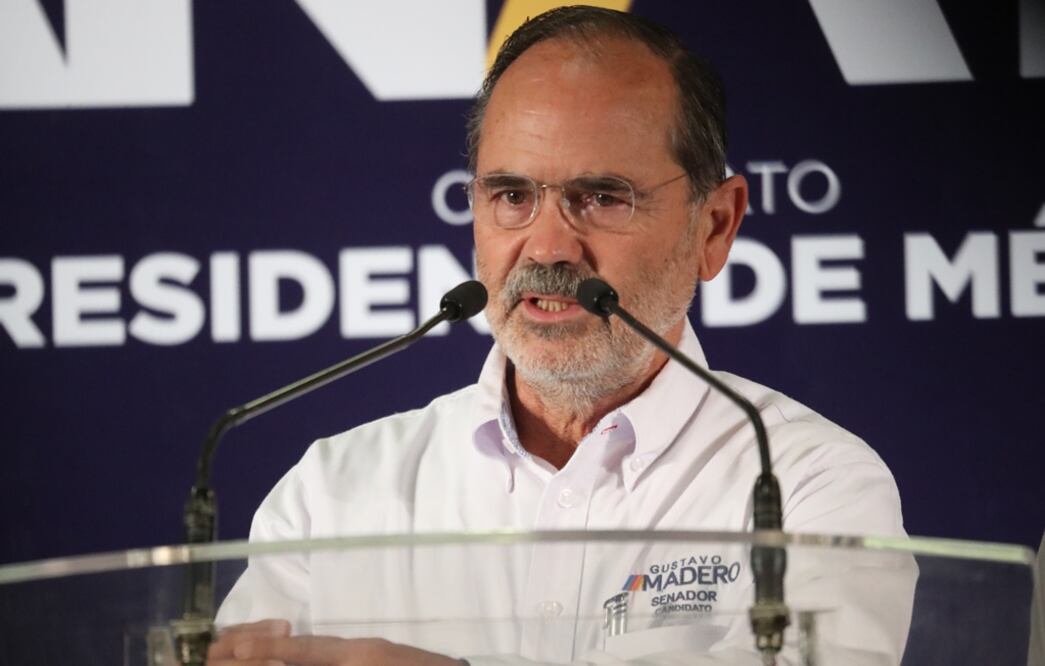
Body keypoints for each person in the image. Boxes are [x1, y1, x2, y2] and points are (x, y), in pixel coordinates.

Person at [209, 6, 913, 665]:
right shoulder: (333, 494)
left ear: (715, 225)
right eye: (511, 196)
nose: (546, 247)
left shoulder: (805, 484)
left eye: (601, 197)